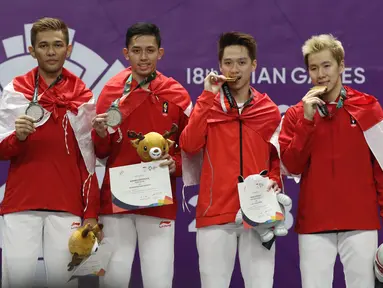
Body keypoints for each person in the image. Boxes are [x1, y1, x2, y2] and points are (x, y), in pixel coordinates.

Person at [0, 17, 100, 287]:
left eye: (58, 45)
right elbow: (1, 149)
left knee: (62, 283)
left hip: (66, 206)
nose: (51, 51)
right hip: (21, 204)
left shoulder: (82, 96)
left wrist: (91, 212)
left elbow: (89, 161)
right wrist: (17, 138)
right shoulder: (16, 91)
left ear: (68, 49)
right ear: (32, 51)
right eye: (44, 46)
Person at [91, 22, 192, 288]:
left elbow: (191, 147)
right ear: (126, 53)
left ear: (161, 53)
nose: (143, 57)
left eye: (150, 50)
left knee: (158, 280)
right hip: (116, 201)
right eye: (137, 50)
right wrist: (100, 134)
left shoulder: (176, 93)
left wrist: (176, 164)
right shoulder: (111, 92)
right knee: (113, 279)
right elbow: (101, 153)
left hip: (159, 202)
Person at [278, 34, 383, 288]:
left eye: (327, 66)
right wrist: (306, 121)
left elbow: (381, 168)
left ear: (341, 66)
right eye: (314, 68)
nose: (320, 74)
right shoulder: (295, 115)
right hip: (315, 223)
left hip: (360, 222)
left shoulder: (368, 107)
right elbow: (292, 166)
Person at [180, 31, 282, 288]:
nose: (234, 69)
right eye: (228, 62)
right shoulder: (208, 104)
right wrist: (206, 97)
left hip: (259, 215)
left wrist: (274, 180)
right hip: (215, 216)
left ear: (254, 65)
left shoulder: (268, 110)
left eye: (241, 62)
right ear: (219, 65)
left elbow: (275, 159)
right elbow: (189, 145)